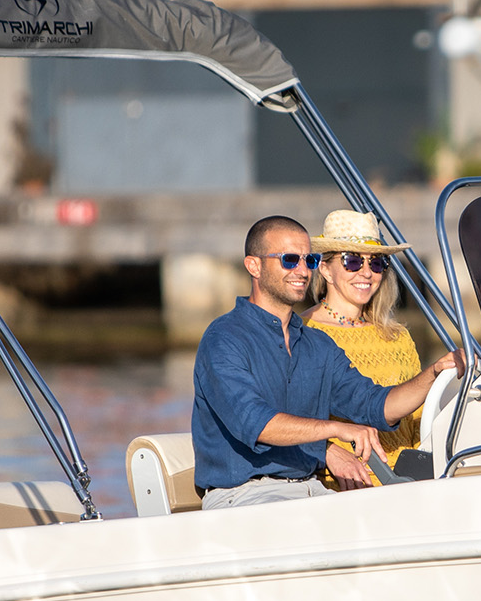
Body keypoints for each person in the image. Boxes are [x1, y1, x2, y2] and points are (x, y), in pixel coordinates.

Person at [191, 215, 458, 509]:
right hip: (242, 493)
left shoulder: (317, 344)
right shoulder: (224, 337)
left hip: (310, 489)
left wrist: (436, 372)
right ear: (254, 266)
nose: (302, 270)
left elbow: (375, 404)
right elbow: (256, 423)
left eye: (309, 260)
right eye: (289, 260)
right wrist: (335, 431)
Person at [302, 209, 425, 484]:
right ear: (325, 269)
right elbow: (287, 417)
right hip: (344, 483)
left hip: (407, 480)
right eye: (353, 261)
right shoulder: (303, 332)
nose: (367, 272)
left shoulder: (398, 337)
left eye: (377, 263)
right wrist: (326, 451)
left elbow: (418, 420)